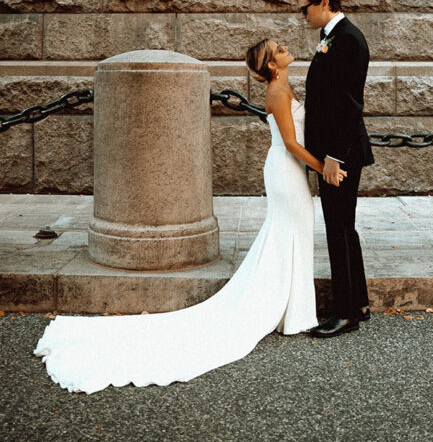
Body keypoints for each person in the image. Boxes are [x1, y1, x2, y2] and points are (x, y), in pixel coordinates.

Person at [33, 39, 342, 394]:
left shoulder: (284, 84)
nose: (286, 47)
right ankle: (290, 313)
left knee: (293, 234)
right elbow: (289, 142)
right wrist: (324, 169)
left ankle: (293, 311)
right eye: (278, 48)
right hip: (286, 171)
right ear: (272, 65)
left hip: (290, 172)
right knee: (289, 232)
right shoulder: (276, 91)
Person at [296, 0, 374, 339]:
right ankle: (356, 302)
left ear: (324, 3)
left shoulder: (347, 40)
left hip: (338, 155)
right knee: (343, 228)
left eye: (305, 8)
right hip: (333, 152)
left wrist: (332, 158)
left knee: (339, 229)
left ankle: (347, 313)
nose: (302, 15)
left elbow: (348, 106)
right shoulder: (331, 37)